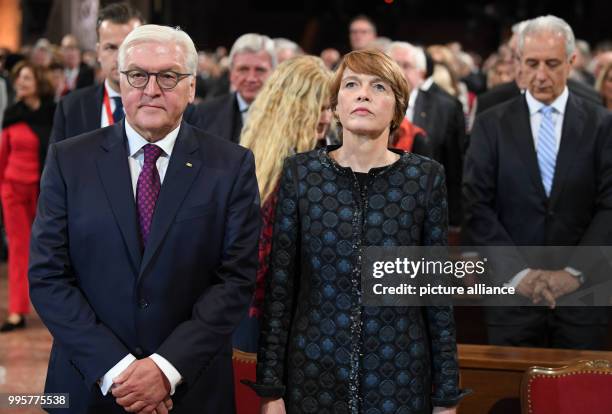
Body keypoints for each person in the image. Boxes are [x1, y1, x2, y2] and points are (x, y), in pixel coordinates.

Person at [29, 24, 260, 413]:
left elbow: (235, 280)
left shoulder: (231, 165)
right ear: (120, 80)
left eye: (169, 76)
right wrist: (118, 370)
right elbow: (48, 276)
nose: (151, 89)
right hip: (90, 386)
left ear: (191, 87)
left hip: (190, 389)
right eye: (138, 75)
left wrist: (164, 370)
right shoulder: (69, 161)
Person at [251, 49, 465, 414]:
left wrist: (446, 396)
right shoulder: (301, 174)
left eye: (378, 86)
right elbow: (280, 289)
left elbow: (436, 296)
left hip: (400, 377)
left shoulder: (424, 178)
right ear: (335, 105)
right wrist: (271, 390)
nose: (363, 94)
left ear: (398, 107)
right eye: (352, 84)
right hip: (314, 373)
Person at [463, 15, 612, 349]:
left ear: (571, 62)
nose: (541, 75)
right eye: (531, 63)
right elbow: (477, 204)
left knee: (581, 400)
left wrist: (573, 273)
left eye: (552, 63)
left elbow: (609, 206)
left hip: (584, 296)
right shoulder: (490, 124)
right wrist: (520, 275)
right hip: (512, 296)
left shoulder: (602, 124)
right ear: (518, 62)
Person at [233, 55, 332, 353]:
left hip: (305, 321)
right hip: (264, 323)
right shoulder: (261, 168)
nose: (326, 118)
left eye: (329, 107)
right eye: (318, 108)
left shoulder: (324, 160)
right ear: (291, 108)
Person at [0, 61, 55, 332]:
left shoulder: (53, 113)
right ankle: (16, 311)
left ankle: (54, 309)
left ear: (38, 82)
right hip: (13, 191)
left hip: (44, 192)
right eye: (18, 79)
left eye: (25, 78)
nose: (20, 83)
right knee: (19, 249)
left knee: (50, 251)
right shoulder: (11, 113)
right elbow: (2, 156)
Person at [386, 41, 466, 228]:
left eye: (405, 65)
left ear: (421, 74)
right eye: (392, 64)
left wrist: (454, 221)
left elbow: (455, 168)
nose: (398, 71)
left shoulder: (445, 107)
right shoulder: (369, 105)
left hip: (427, 210)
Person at [49, 2, 143, 144]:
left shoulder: (166, 107)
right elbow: (55, 165)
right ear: (98, 52)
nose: (119, 58)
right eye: (110, 47)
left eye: (128, 47)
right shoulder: (70, 107)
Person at [194, 33, 275, 143]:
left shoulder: (293, 115)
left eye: (260, 70)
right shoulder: (204, 114)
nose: (251, 78)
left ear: (274, 73)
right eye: (243, 69)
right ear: (231, 73)